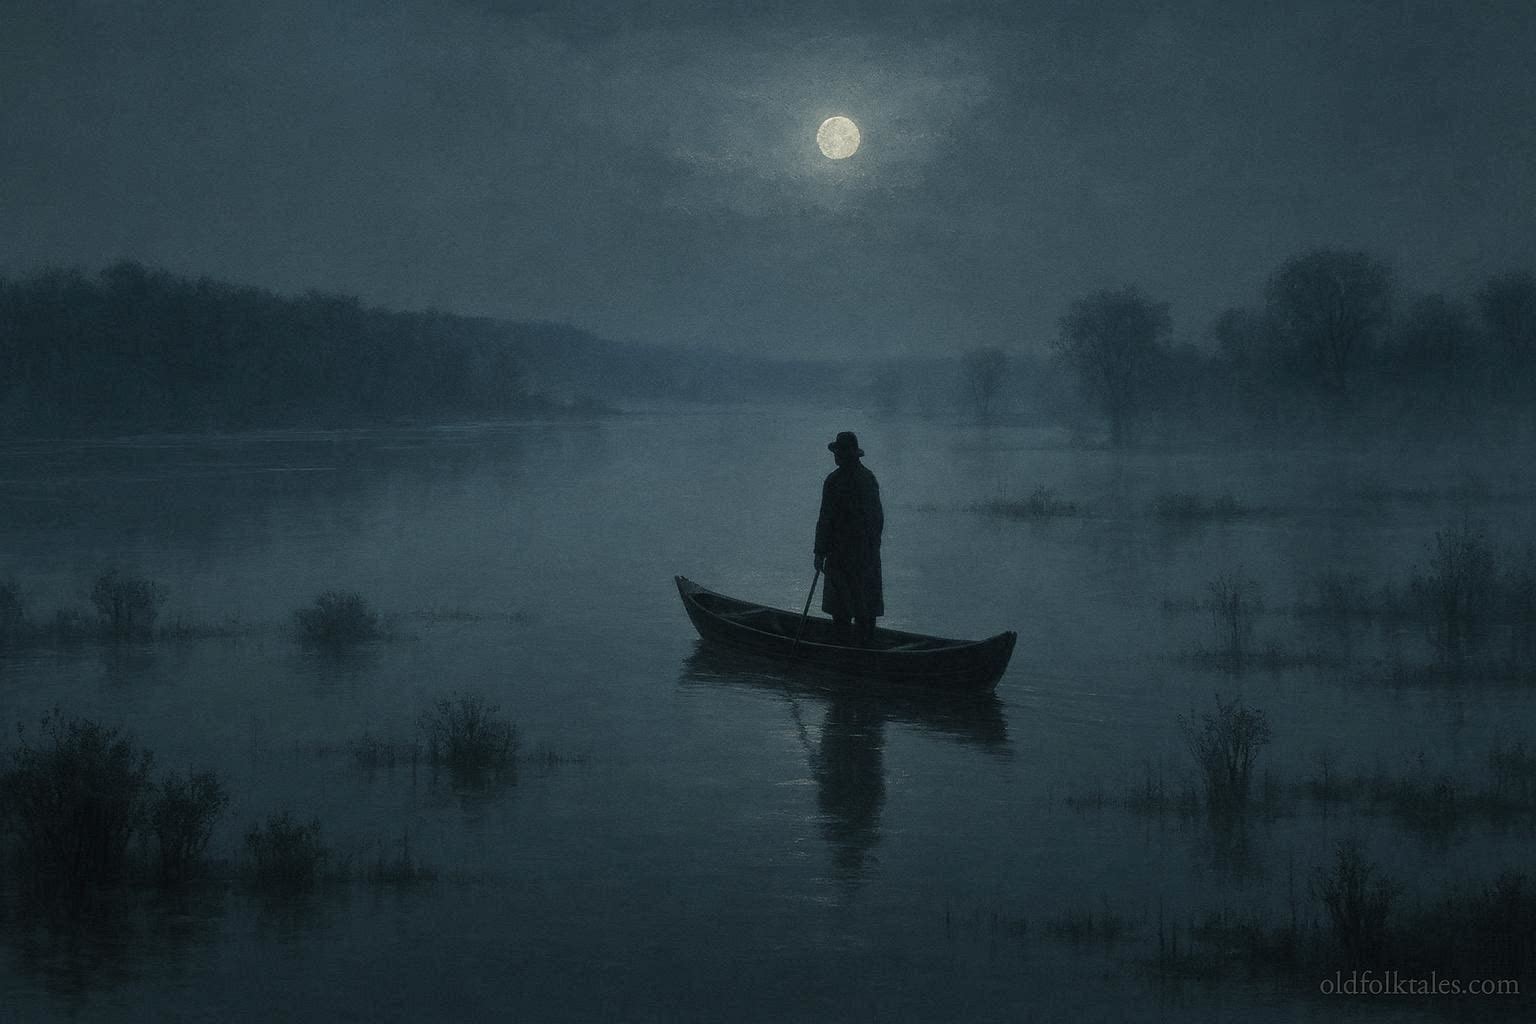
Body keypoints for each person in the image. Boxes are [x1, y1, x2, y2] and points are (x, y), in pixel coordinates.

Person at [814, 431, 883, 644]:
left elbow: (874, 520)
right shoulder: (843, 480)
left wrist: (821, 552)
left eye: (839, 453)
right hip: (852, 554)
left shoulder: (853, 480)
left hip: (853, 555)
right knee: (852, 608)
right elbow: (826, 520)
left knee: (854, 609)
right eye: (836, 452)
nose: (836, 457)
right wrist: (819, 552)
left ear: (849, 455)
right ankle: (857, 648)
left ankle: (855, 650)